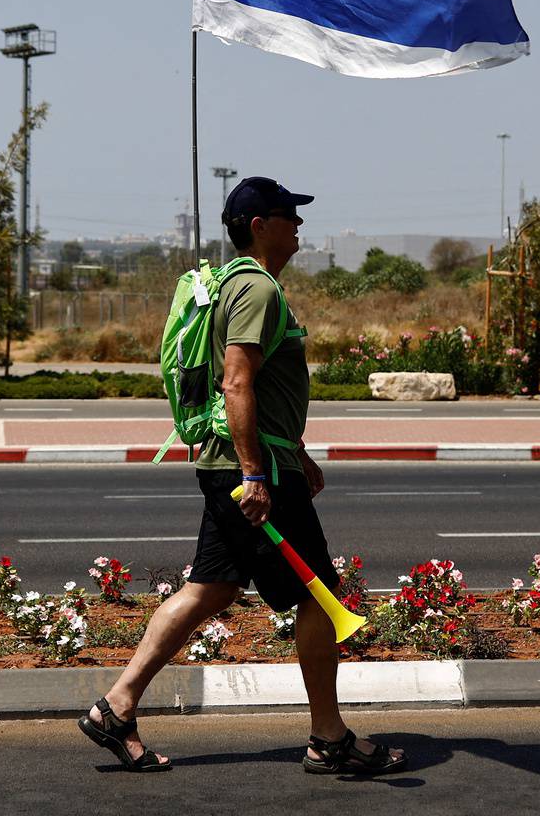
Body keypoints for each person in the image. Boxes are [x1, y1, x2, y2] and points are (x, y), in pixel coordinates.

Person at [79, 176, 406, 777]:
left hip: (234, 460)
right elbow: (236, 382)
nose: (298, 225)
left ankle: (115, 708)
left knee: (211, 589)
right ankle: (328, 738)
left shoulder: (232, 286)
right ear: (259, 225)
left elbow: (262, 390)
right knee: (320, 598)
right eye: (288, 214)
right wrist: (258, 472)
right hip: (248, 471)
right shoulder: (256, 289)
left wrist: (293, 450)